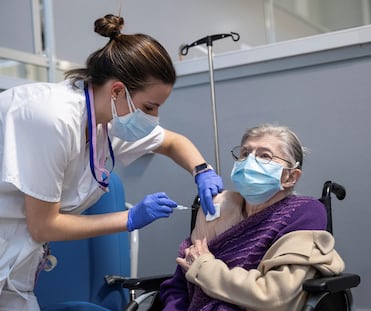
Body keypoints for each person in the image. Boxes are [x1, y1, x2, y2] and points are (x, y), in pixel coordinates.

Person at [0, 14, 223, 310]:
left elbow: (171, 142)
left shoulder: (106, 122)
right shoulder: (52, 117)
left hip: (17, 261)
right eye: (149, 106)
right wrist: (129, 219)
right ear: (118, 90)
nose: (153, 117)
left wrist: (202, 171)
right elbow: (44, 225)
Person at [159, 124, 345, 311]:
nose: (250, 162)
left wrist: (205, 268)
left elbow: (274, 296)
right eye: (245, 154)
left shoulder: (304, 213)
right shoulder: (218, 209)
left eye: (265, 156)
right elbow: (180, 282)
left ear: (290, 177)